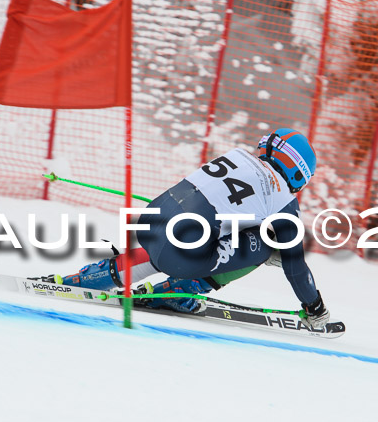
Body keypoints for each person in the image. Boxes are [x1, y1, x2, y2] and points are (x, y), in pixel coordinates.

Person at [45, 128, 330, 329]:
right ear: (298, 172)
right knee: (270, 245)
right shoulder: (284, 201)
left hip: (149, 223)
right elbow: (295, 267)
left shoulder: (238, 156)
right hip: (182, 254)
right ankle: (179, 292)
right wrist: (314, 306)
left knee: (179, 240)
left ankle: (83, 279)